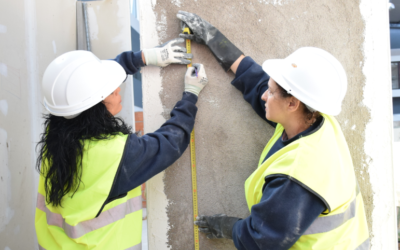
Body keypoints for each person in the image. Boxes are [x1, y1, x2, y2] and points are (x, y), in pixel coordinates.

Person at [178, 11, 370, 250]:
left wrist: (227, 227)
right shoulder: (315, 117)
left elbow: (261, 239)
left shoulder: (299, 176)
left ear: (292, 104)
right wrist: (214, 39)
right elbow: (256, 80)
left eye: (271, 91)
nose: (264, 95)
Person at [34, 38, 208, 250]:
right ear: (94, 108)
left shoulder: (57, 132)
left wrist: (144, 57)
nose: (118, 90)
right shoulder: (117, 154)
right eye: (112, 91)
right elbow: (170, 142)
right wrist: (190, 95)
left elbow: (81, 85)